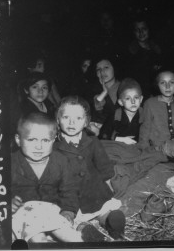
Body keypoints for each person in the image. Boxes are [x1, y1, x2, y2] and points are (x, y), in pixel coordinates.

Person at [11, 112, 92, 243]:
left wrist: (68, 210)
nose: (39, 146)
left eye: (45, 140)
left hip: (52, 212)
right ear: (18, 140)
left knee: (61, 226)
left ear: (54, 140)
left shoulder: (61, 161)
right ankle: (46, 243)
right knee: (36, 237)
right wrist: (8, 201)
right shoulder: (9, 163)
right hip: (24, 214)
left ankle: (81, 240)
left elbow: (70, 189)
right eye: (31, 140)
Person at [53, 96, 126, 240]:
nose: (72, 122)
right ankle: (86, 230)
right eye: (66, 117)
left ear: (86, 122)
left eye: (78, 118)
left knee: (102, 210)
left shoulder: (92, 141)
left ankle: (111, 222)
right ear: (57, 120)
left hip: (94, 190)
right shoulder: (54, 147)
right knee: (69, 219)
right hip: (70, 197)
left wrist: (109, 186)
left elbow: (104, 165)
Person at [124, 17, 163, 98]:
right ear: (134, 32)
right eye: (137, 29)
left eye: (143, 29)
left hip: (159, 94)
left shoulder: (157, 50)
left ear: (149, 30)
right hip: (139, 95)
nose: (141, 32)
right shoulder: (130, 53)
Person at [99, 78, 144, 144]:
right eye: (128, 98)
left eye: (136, 97)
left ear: (141, 99)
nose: (133, 101)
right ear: (121, 102)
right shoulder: (115, 116)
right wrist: (120, 139)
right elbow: (103, 134)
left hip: (138, 147)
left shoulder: (145, 114)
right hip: (117, 146)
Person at [90, 58, 121, 135]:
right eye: (98, 69)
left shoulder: (125, 88)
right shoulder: (93, 92)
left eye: (106, 67)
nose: (102, 71)